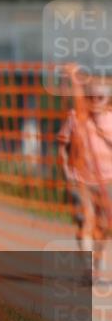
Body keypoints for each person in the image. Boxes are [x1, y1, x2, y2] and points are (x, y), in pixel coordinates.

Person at [58, 78, 112, 277]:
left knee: (104, 227)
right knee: (86, 223)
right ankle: (88, 268)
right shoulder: (75, 118)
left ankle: (96, 263)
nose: (95, 101)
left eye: (100, 97)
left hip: (108, 182)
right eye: (91, 96)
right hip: (81, 181)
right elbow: (62, 145)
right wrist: (66, 169)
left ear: (107, 99)